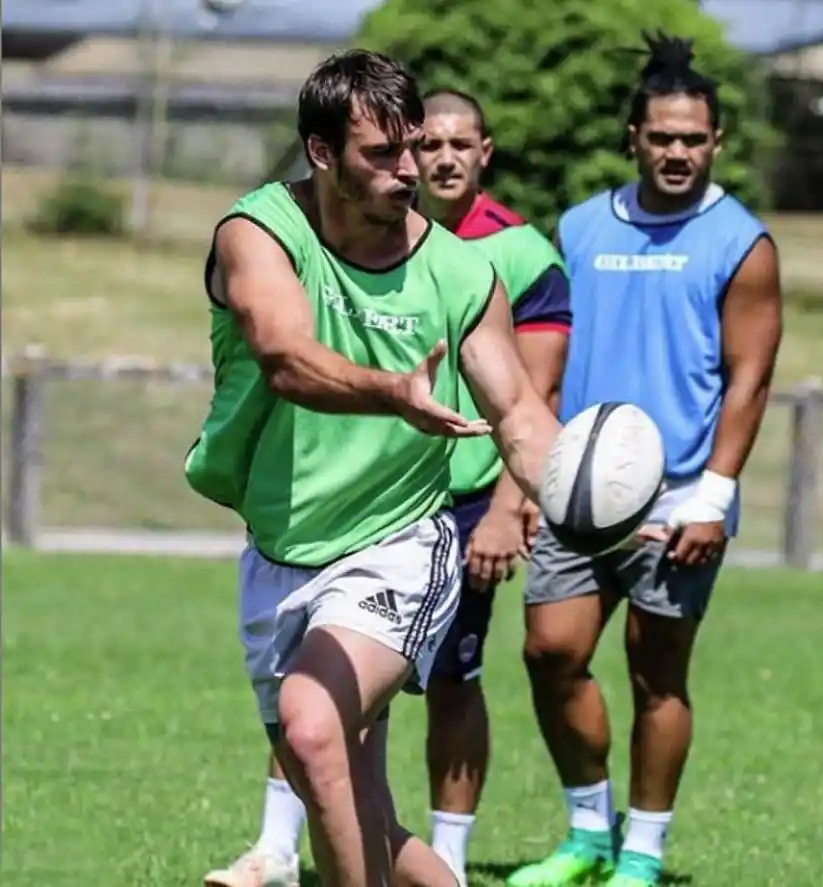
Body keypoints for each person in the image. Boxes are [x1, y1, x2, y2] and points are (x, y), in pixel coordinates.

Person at [186, 49, 562, 887]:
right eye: (382, 154)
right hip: (280, 549)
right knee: (352, 801)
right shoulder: (260, 233)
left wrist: (586, 492)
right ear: (321, 152)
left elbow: (519, 413)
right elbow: (284, 355)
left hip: (400, 544)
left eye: (413, 147)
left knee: (311, 722)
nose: (410, 171)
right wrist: (394, 391)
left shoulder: (462, 272)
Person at [506, 32, 783, 887]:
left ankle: (643, 854)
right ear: (634, 137)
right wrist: (533, 476)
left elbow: (750, 378)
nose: (677, 152)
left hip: (679, 498)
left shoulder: (742, 242)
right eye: (661, 137)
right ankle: (589, 835)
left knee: (656, 674)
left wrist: (714, 495)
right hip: (578, 490)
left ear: (717, 142)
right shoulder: (581, 228)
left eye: (693, 139)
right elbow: (550, 353)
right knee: (550, 652)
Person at [416, 89, 571, 887]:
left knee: (453, 677)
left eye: (459, 144)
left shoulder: (522, 252)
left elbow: (536, 395)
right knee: (330, 667)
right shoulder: (372, 234)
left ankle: (446, 856)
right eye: (429, 143)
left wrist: (509, 507)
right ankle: (279, 847)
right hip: (376, 495)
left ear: (485, 152)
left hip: (472, 503)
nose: (443, 158)